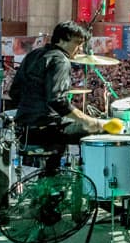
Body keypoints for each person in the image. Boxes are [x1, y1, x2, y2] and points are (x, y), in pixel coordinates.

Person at [9, 21, 122, 171]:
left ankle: (51, 172)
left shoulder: (34, 54)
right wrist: (89, 121)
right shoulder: (60, 60)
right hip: (46, 130)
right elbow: (57, 101)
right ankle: (99, 178)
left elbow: (13, 93)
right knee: (108, 128)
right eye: (77, 43)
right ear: (63, 39)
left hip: (24, 130)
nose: (80, 48)